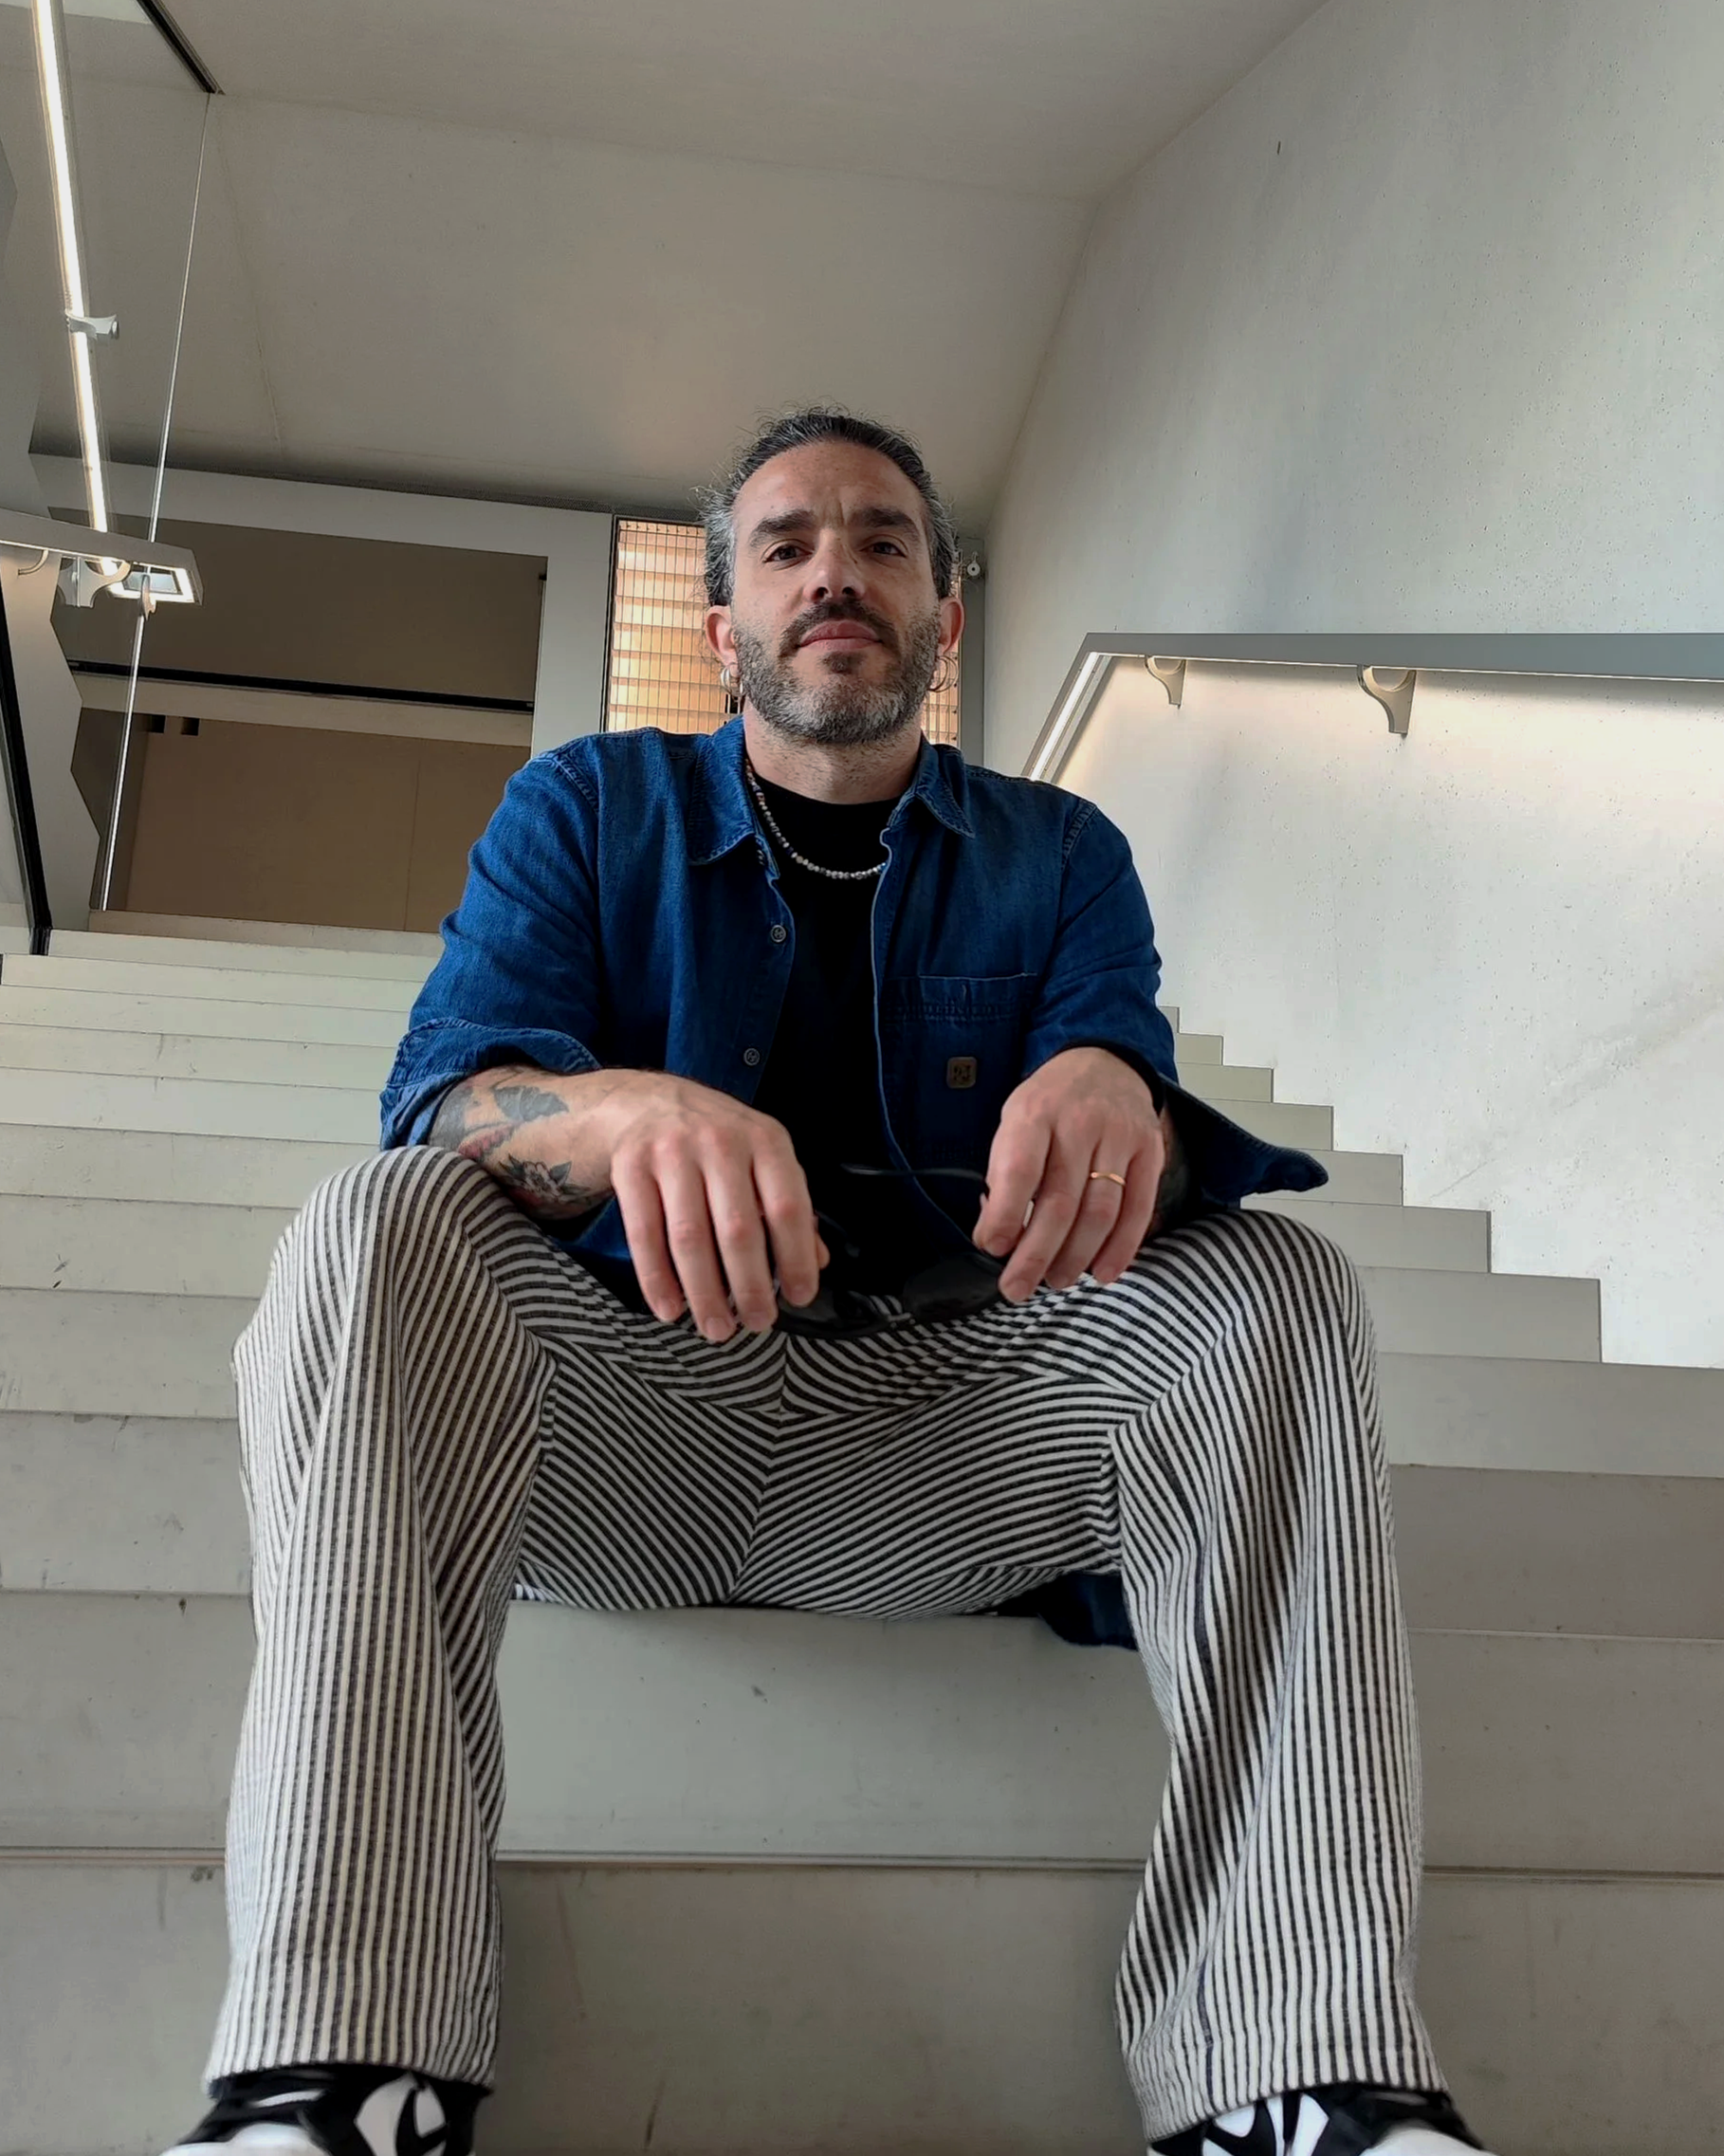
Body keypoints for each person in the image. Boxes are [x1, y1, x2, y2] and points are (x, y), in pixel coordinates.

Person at [167, 409, 1488, 2156]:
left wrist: (1133, 1106)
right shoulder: (583, 807)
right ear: (724, 628)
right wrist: (621, 1107)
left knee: (1281, 1282)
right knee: (371, 1222)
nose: (833, 573)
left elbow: (1145, 1189)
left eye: (879, 540)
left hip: (963, 1455)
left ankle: (1301, 2075)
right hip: (633, 1436)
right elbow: (452, 1098)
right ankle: (341, 2076)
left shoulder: (1060, 853)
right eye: (785, 544)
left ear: (936, 606)